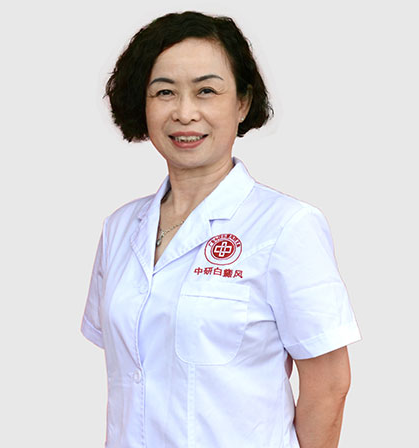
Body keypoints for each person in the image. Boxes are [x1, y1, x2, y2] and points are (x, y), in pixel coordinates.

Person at [81, 11, 361, 448]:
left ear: (242, 103)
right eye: (164, 92)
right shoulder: (120, 228)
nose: (184, 113)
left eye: (206, 91)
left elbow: (329, 385)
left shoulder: (287, 226)